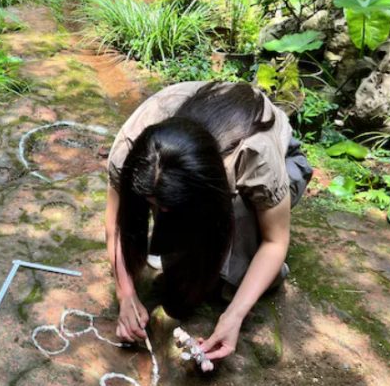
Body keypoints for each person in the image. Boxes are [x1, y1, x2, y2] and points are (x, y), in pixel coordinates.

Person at [104, 81, 312, 362]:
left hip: (280, 162)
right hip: (190, 177)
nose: (157, 213)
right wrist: (125, 292)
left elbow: (275, 241)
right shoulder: (131, 149)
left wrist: (234, 316)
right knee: (181, 265)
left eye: (164, 207)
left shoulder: (255, 156)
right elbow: (117, 224)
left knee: (229, 269)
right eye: (154, 206)